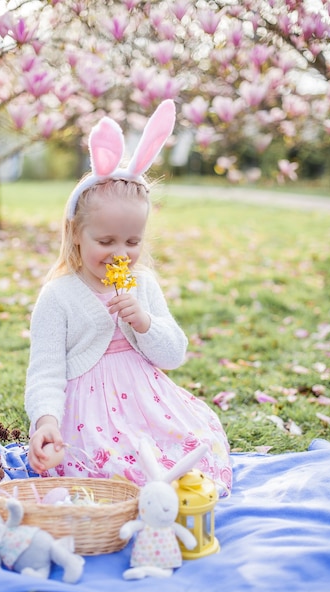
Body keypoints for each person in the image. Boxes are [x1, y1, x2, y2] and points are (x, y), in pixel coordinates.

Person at [26, 100, 232, 495]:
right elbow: (45, 370)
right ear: (76, 235)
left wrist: (144, 322)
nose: (121, 253)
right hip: (89, 413)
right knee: (106, 474)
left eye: (132, 241)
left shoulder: (143, 283)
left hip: (146, 404)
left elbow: (173, 354)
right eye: (105, 241)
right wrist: (46, 421)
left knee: (192, 449)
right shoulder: (59, 296)